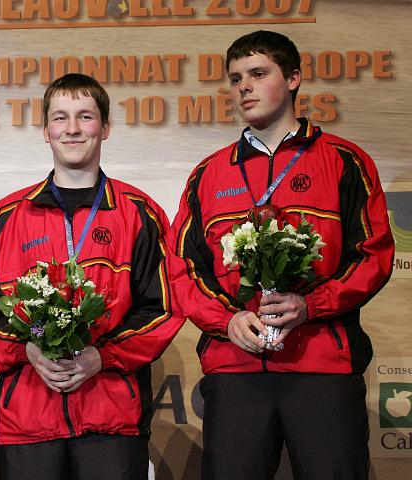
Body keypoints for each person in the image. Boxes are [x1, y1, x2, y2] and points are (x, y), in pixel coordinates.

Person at [168, 30, 394, 479]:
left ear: (292, 79)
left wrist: (311, 305)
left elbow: (374, 256)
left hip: (324, 366)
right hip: (235, 369)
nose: (244, 88)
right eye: (236, 79)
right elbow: (182, 268)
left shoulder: (345, 161)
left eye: (258, 74)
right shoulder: (208, 173)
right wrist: (228, 320)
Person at [0, 73, 183, 480]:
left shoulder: (139, 213)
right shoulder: (6, 217)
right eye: (60, 117)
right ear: (46, 131)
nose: (73, 128)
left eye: (85, 116)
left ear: (105, 128)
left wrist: (102, 357)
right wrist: (26, 350)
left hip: (111, 418)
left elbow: (164, 307)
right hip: (27, 419)